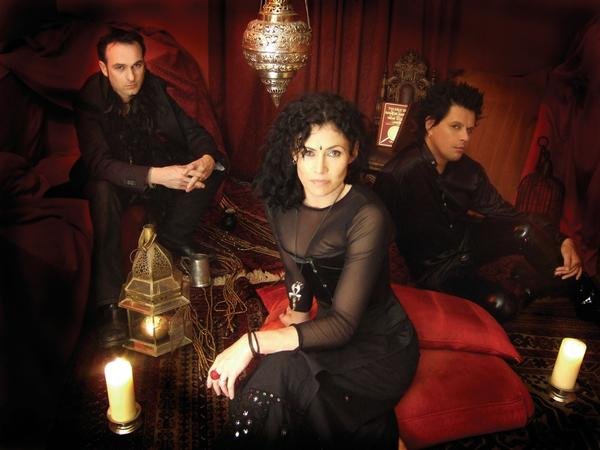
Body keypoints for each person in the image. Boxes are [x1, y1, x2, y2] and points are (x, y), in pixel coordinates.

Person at [206, 92, 419, 449]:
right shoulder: (280, 203)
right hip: (327, 330)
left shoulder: (368, 215)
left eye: (333, 153)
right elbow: (296, 273)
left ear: (353, 153)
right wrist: (300, 314)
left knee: (284, 375)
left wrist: (252, 343)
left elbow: (344, 325)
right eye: (308, 152)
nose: (319, 168)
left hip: (380, 346)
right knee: (278, 378)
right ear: (293, 153)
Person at [374, 80, 598, 323]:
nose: (464, 138)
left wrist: (562, 239)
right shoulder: (399, 174)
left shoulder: (469, 171)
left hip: (467, 241)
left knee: (525, 231)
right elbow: (371, 230)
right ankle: (530, 288)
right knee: (503, 306)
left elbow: (507, 213)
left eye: (469, 130)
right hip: (437, 270)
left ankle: (587, 296)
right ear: (430, 124)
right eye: (456, 127)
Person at [74, 28, 227, 348]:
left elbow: (192, 131)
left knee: (211, 168)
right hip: (116, 180)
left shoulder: (153, 87)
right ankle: (109, 306)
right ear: (103, 68)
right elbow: (99, 164)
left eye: (137, 65)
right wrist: (157, 175)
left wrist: (206, 159)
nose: (131, 77)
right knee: (101, 190)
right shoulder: (90, 98)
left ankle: (172, 239)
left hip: (153, 165)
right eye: (120, 68)